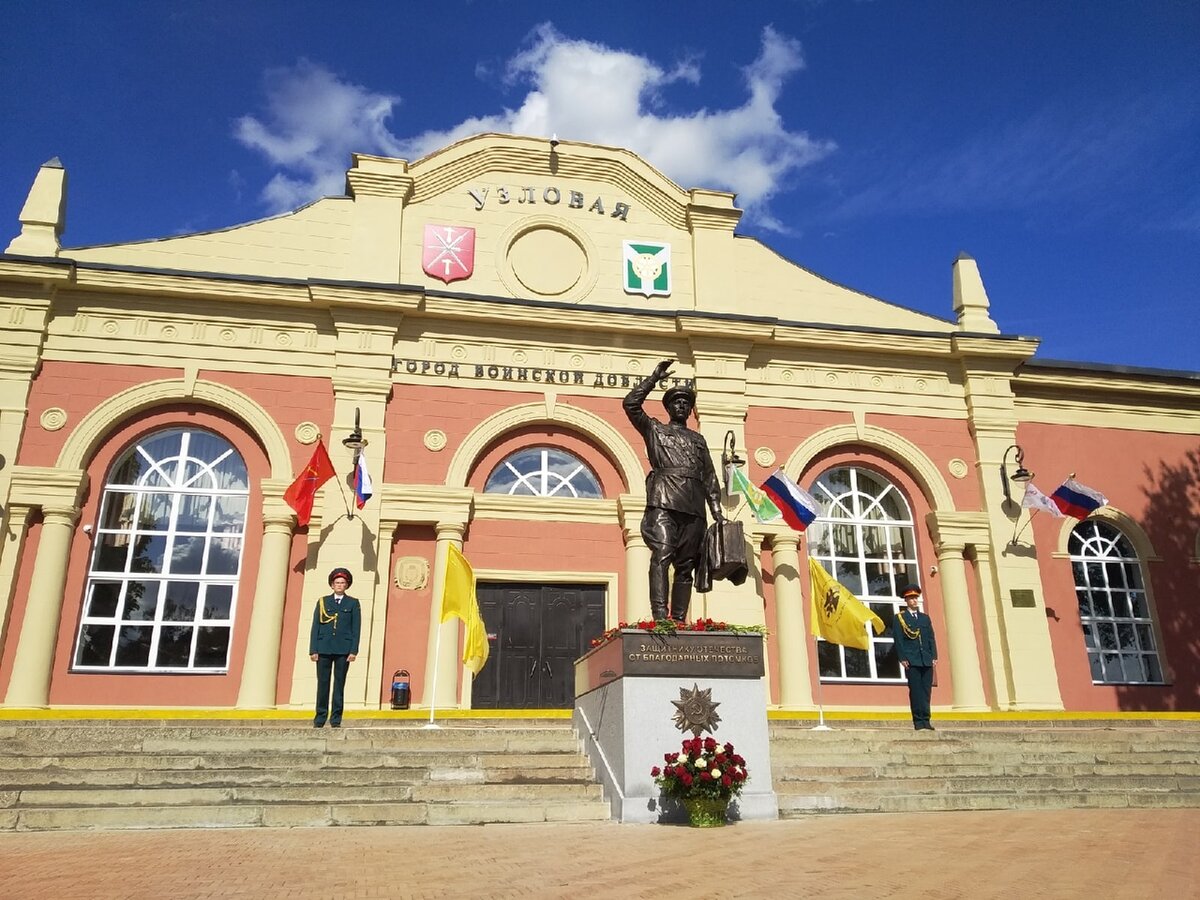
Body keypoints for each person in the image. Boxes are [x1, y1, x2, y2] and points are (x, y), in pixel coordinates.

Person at [623, 358, 723, 622]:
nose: (681, 406)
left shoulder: (698, 440)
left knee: (686, 566)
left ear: (690, 410)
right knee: (662, 554)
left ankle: (679, 620)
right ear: (668, 407)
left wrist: (717, 512)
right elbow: (631, 405)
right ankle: (660, 616)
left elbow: (710, 477)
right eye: (676, 402)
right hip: (664, 501)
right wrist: (653, 378)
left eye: (686, 404)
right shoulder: (655, 428)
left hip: (693, 507)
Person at [310, 567, 361, 728]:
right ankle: (320, 718)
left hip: (343, 649)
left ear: (347, 585)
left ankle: (336, 718)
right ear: (332, 585)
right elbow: (315, 626)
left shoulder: (353, 603)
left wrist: (353, 650)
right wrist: (313, 649)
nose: (339, 585)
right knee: (322, 684)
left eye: (343, 583)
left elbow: (356, 628)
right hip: (323, 647)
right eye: (337, 583)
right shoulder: (323, 602)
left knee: (339, 685)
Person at [891, 583, 937, 731]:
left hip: (926, 659)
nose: (914, 601)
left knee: (926, 691)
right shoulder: (900, 618)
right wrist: (902, 658)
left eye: (916, 598)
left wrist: (934, 655)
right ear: (906, 600)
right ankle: (918, 721)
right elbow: (898, 639)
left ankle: (926, 719)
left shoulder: (925, 618)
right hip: (912, 660)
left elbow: (931, 638)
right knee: (916, 691)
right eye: (911, 598)